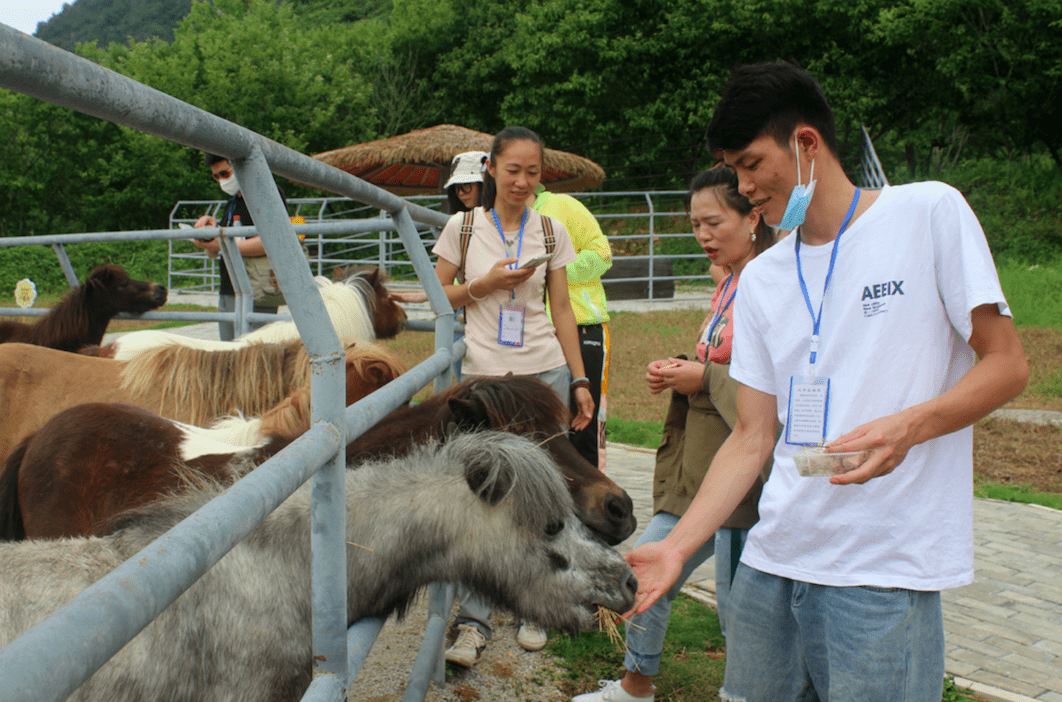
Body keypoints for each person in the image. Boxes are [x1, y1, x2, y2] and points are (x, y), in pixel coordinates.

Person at [626, 61, 1028, 702]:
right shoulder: (762, 278)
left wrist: (910, 426)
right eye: (734, 168)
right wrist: (676, 547)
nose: (744, 186)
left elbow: (1007, 364)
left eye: (753, 163)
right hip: (773, 561)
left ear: (806, 144)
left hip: (881, 569)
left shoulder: (927, 212)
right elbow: (753, 438)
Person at [574, 166, 775, 702]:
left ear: (753, 216)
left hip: (743, 480)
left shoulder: (768, 284)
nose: (702, 235)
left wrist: (702, 377)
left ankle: (742, 691)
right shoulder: (729, 280)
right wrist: (684, 372)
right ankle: (636, 685)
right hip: (695, 468)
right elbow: (724, 367)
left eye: (713, 222)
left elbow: (771, 397)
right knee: (644, 569)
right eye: (694, 225)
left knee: (741, 607)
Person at [430, 126, 594, 667]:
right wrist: (486, 285)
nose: (522, 181)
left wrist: (578, 379)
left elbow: (563, 310)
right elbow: (440, 295)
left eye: (532, 171)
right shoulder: (464, 225)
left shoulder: (551, 232)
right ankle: (474, 620)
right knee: (487, 493)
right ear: (492, 170)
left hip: (543, 374)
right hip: (487, 384)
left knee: (546, 493)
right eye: (513, 169)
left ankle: (534, 606)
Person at [530, 184, 613, 471]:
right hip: (536, 333)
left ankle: (594, 503)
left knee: (584, 421)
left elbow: (602, 253)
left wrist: (558, 270)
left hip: (581, 326)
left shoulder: (561, 205)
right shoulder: (502, 222)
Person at [191, 153, 287, 340]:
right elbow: (215, 252)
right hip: (229, 288)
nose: (221, 180)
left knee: (255, 356)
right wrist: (206, 237)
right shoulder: (233, 202)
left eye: (224, 174)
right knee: (229, 354)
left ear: (240, 166)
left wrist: (222, 244)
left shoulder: (266, 193)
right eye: (216, 176)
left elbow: (273, 242)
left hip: (258, 289)